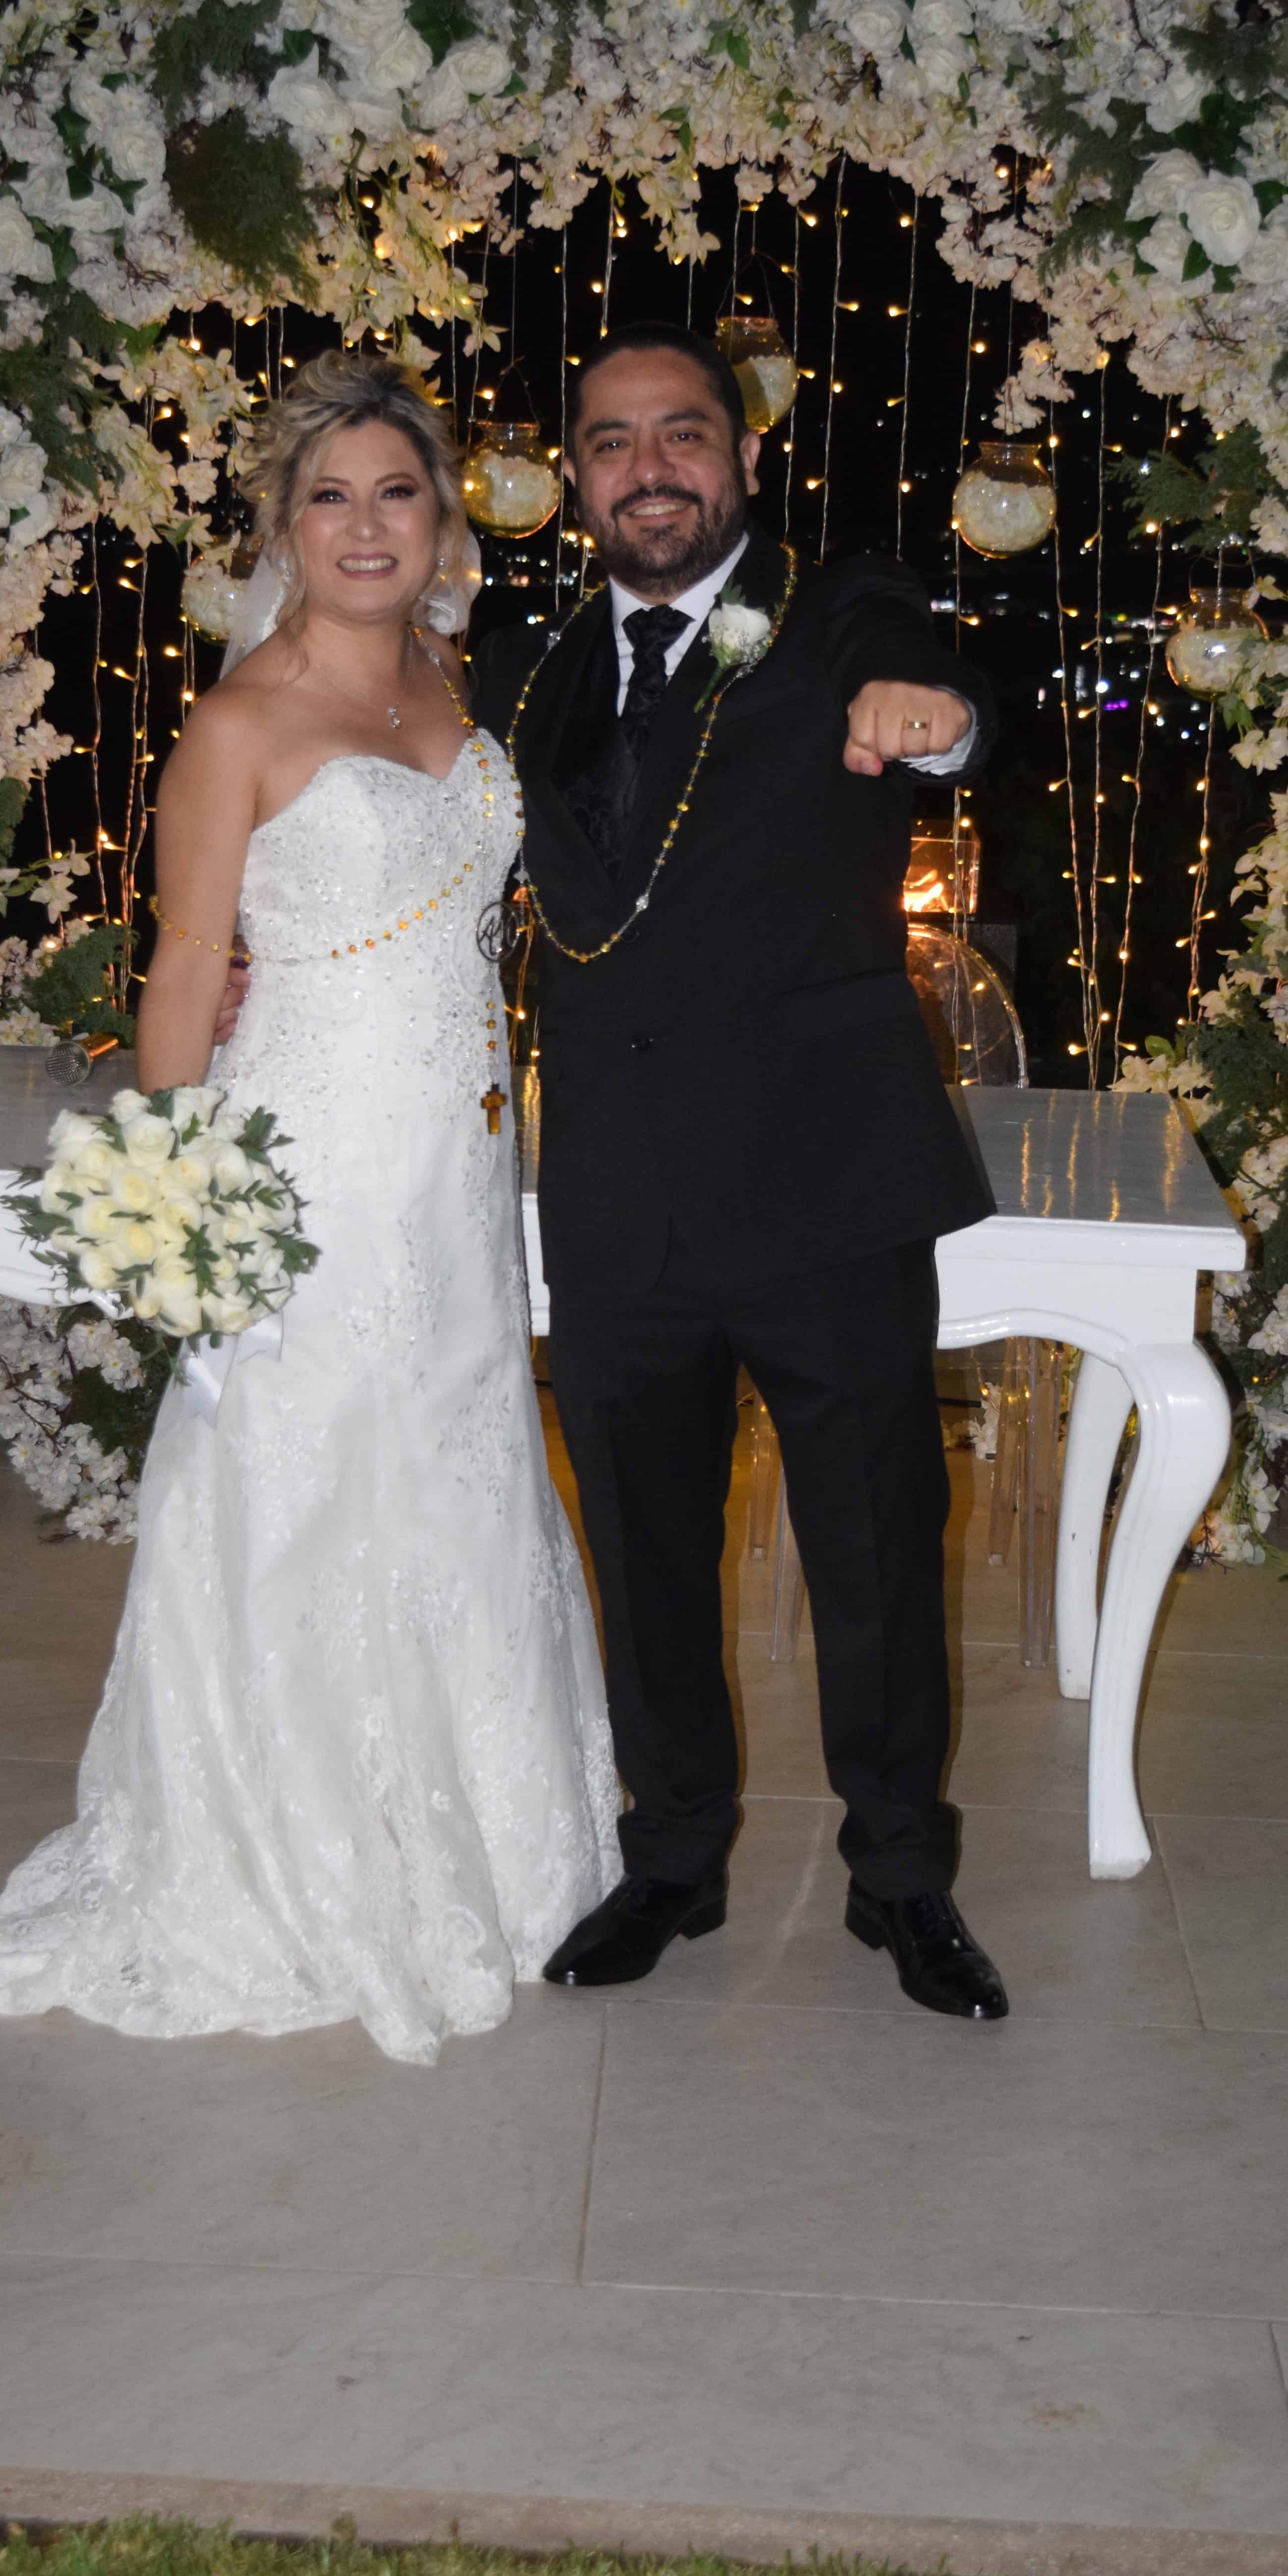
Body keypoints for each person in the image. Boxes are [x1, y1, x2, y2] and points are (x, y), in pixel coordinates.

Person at [0, 353, 620, 2066]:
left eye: (398, 493)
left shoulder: (465, 686)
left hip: (456, 1169)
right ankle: (289, 1855)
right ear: (285, 527)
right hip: (308, 1167)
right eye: (332, 498)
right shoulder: (238, 723)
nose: (367, 527)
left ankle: (492, 1836)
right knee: (305, 1482)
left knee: (461, 1466)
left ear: (445, 520)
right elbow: (186, 967)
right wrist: (174, 1196)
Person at [469, 322, 1010, 2021]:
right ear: (576, 476)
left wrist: (931, 714)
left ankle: (902, 1882)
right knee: (644, 1554)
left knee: (876, 1556)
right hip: (618, 1193)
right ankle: (673, 1858)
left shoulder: (837, 613)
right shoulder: (525, 663)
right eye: (612, 441)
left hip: (826, 1184)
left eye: (683, 434)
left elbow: (923, 676)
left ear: (746, 455)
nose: (651, 469)